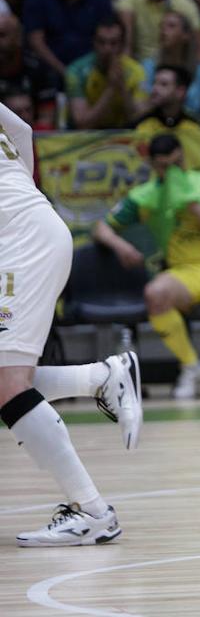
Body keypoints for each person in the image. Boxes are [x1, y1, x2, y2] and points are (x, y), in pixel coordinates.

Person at [1, 99, 142, 546]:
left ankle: (93, 512)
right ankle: (100, 378)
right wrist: (20, 190)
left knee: (8, 383)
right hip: (28, 231)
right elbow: (21, 130)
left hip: (21, 246)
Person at [92, 133, 200, 398]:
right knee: (155, 294)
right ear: (151, 164)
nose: (171, 170)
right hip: (184, 271)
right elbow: (101, 228)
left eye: (176, 163)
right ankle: (191, 366)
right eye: (163, 166)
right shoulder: (144, 195)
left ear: (183, 156)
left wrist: (191, 205)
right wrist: (122, 246)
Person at [65, 16, 147, 128]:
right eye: (101, 42)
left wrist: (121, 86)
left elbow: (139, 119)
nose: (107, 49)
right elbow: (82, 123)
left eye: (113, 43)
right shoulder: (76, 71)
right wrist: (110, 89)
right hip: (86, 138)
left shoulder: (137, 71)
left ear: (122, 45)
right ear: (93, 42)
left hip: (123, 136)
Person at [139, 10, 200, 125]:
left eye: (171, 26)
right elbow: (141, 108)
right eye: (162, 26)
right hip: (154, 128)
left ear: (185, 35)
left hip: (192, 131)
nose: (163, 31)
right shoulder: (148, 66)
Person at [132, 64, 200, 134]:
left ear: (180, 91)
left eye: (163, 84)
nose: (155, 89)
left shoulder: (198, 127)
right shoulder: (140, 124)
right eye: (154, 83)